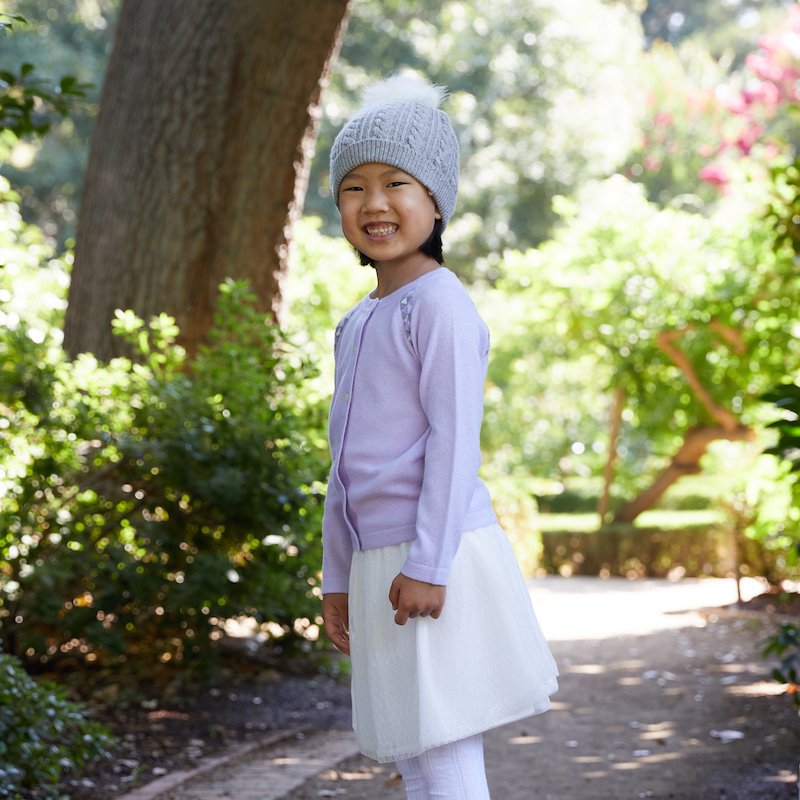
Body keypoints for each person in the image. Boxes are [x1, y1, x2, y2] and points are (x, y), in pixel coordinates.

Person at [320, 74, 558, 800]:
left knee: (445, 748)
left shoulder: (440, 304)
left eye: (396, 183)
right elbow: (342, 467)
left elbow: (454, 442)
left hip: (432, 554)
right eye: (354, 188)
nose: (374, 203)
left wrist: (430, 562)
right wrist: (336, 576)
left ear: (435, 201)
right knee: (416, 751)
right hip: (378, 562)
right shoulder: (358, 319)